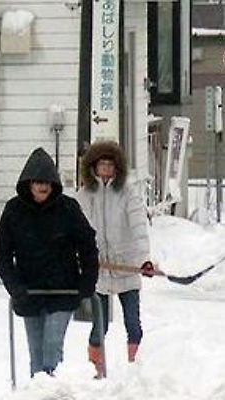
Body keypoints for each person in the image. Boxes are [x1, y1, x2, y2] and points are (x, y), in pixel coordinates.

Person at [0, 147, 99, 377]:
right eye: (38, 182)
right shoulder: (14, 211)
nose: (43, 187)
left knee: (52, 353)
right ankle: (38, 391)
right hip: (29, 293)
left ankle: (53, 391)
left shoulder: (68, 208)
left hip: (63, 291)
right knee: (37, 358)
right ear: (29, 183)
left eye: (48, 182)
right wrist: (14, 286)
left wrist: (87, 282)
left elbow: (88, 245)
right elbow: (2, 253)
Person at [75, 141, 154, 377]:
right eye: (102, 164)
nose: (106, 169)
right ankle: (97, 370)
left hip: (126, 267)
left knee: (133, 324)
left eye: (110, 165)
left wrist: (144, 260)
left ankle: (135, 371)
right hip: (98, 270)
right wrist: (83, 257)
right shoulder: (84, 196)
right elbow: (78, 229)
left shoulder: (128, 193)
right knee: (100, 326)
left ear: (117, 168)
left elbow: (139, 227)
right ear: (93, 167)